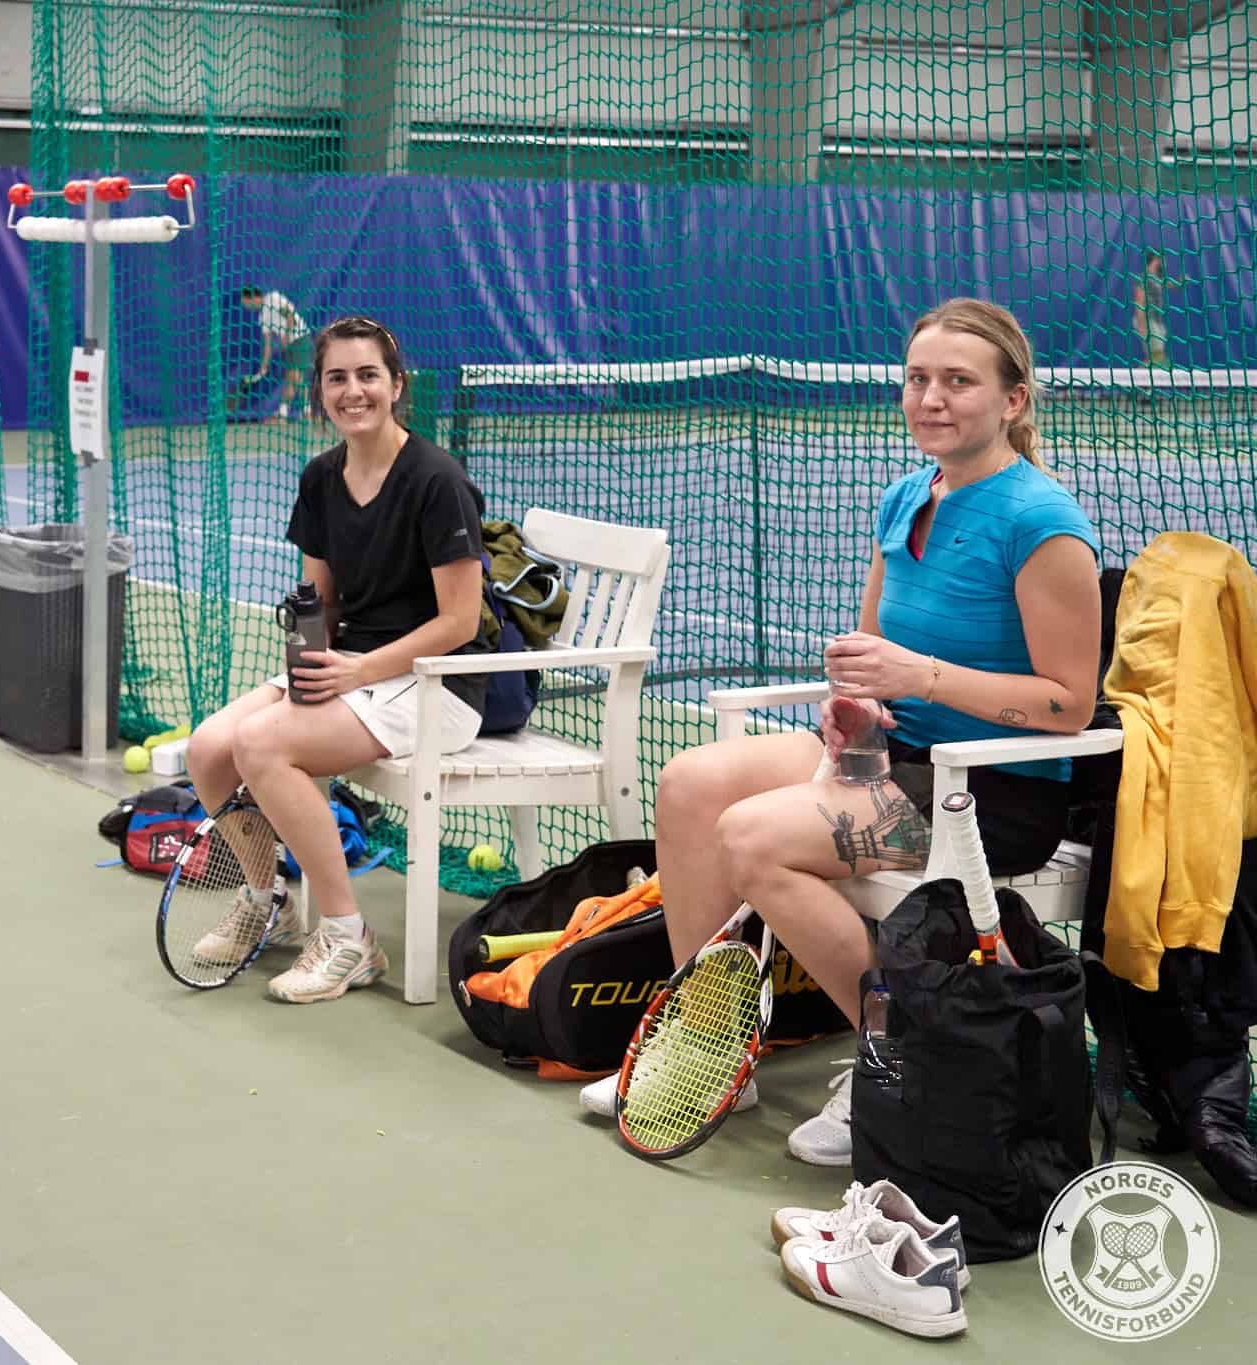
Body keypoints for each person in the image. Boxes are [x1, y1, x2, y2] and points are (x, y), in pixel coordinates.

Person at [578, 298, 1102, 1165]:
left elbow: (1069, 704)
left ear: (1013, 400)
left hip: (987, 791)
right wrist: (853, 703)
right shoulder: (905, 497)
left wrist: (919, 677)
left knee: (752, 837)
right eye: (918, 378)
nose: (930, 398)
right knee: (689, 784)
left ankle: (896, 1059)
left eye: (958, 381)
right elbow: (869, 661)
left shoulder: (1043, 524)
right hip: (890, 760)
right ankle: (710, 1044)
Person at [184, 316, 493, 1003]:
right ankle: (267, 902)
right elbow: (319, 599)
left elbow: (460, 622)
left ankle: (349, 937)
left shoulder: (436, 480)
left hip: (437, 682)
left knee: (261, 745)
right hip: (353, 665)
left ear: (397, 385)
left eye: (368, 375)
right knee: (208, 748)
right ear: (320, 391)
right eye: (337, 378)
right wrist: (307, 655)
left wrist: (357, 671)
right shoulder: (322, 477)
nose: (354, 391)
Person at [239, 285, 312, 423]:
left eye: (246, 303)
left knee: (295, 375)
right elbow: (267, 344)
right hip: (290, 344)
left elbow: (290, 316)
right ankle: (291, 413)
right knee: (294, 377)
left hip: (300, 338)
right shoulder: (262, 317)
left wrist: (286, 335)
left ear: (252, 297)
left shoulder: (273, 298)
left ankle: (299, 413)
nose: (246, 307)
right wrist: (264, 365)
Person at [1132, 250, 1177, 368]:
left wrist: (1181, 282)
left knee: (1154, 356)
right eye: (1162, 259)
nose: (1164, 263)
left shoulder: (1158, 277)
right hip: (1147, 319)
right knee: (1157, 355)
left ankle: (1144, 376)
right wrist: (1142, 324)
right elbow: (1139, 301)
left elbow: (1170, 285)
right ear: (1155, 260)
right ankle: (1139, 377)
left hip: (1157, 321)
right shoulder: (1143, 278)